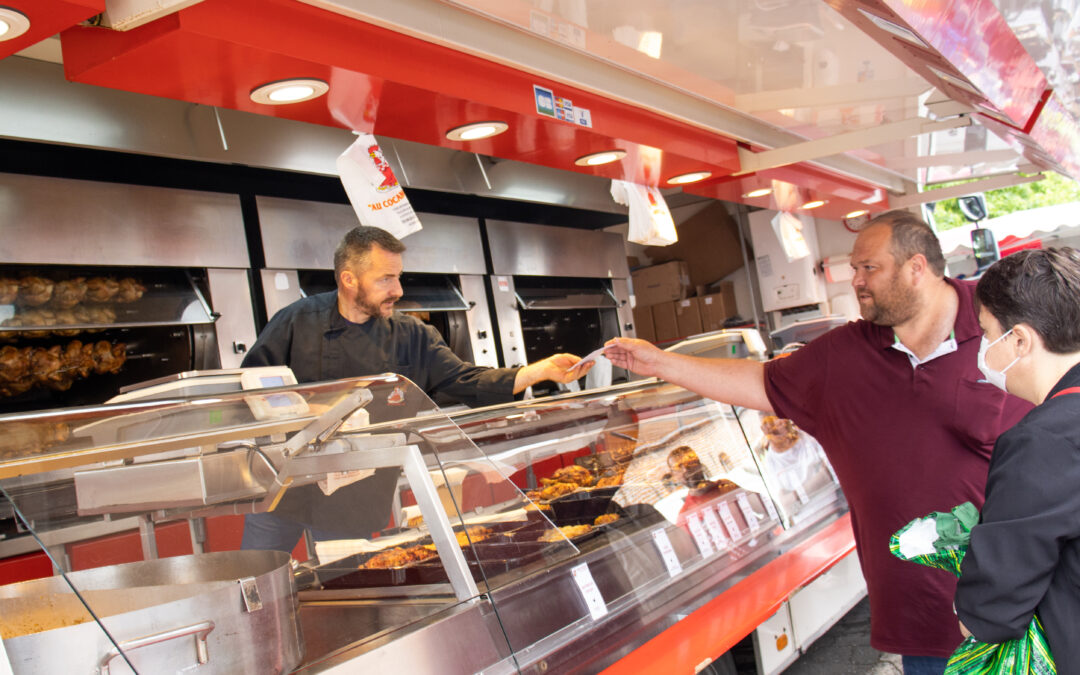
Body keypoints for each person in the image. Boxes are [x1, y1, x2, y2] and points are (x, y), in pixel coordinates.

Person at [604, 210, 1031, 674]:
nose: (857, 281)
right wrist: (661, 363)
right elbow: (758, 383)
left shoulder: (1003, 329)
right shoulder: (844, 355)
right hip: (921, 617)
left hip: (1018, 605)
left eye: (870, 268)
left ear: (917, 268)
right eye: (855, 268)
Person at [240, 225, 591, 552]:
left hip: (354, 496)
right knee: (258, 587)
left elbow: (464, 380)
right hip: (282, 489)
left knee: (344, 590)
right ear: (349, 279)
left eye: (399, 277)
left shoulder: (412, 335)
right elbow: (250, 394)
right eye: (386, 279)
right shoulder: (296, 322)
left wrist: (539, 371)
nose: (399, 290)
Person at [953, 248, 1080, 670]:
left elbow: (989, 613)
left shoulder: (1043, 441)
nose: (984, 348)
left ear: (1020, 340)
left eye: (988, 334)